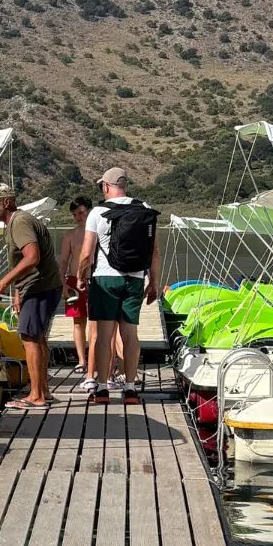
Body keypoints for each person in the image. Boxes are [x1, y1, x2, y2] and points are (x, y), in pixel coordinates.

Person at [78, 168, 160, 405]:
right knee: (130, 334)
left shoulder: (98, 212)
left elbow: (86, 253)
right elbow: (154, 251)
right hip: (134, 279)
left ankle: (102, 389)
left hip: (105, 277)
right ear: (125, 184)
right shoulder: (145, 209)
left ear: (105, 186)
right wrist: (154, 282)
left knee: (104, 337)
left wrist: (81, 277)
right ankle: (131, 389)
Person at [0, 184, 61, 409]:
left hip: (39, 287)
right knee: (38, 337)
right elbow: (22, 261)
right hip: (38, 287)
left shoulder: (19, 222)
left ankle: (36, 396)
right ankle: (43, 390)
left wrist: (3, 282)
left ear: (6, 201)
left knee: (30, 338)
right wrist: (17, 290)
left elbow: (32, 257)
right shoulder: (17, 221)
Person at [58, 196, 91, 377]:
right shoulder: (70, 235)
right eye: (75, 214)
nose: (79, 217)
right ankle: (81, 360)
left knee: (97, 323)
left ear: (89, 211)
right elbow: (63, 260)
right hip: (73, 281)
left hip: (95, 280)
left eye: (81, 213)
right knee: (78, 322)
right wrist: (62, 282)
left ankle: (96, 359)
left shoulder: (98, 232)